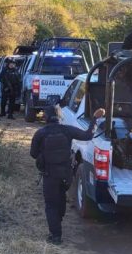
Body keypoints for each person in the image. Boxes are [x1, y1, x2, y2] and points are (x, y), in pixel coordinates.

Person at [31, 105, 106, 245]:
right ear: (60, 117)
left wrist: (44, 154)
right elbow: (88, 135)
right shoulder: (67, 130)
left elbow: (33, 154)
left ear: (46, 117)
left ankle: (56, 236)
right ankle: (58, 222)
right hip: (66, 174)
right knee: (60, 198)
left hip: (50, 175)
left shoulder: (41, 133)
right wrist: (95, 118)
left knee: (51, 205)